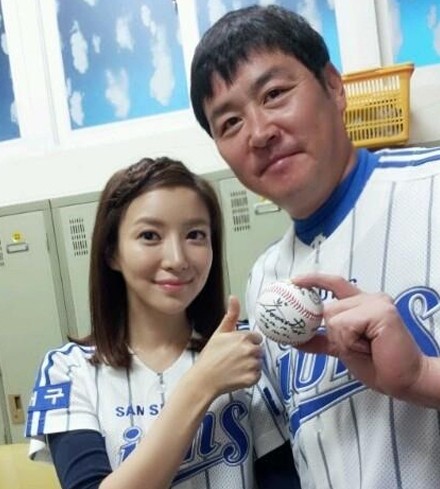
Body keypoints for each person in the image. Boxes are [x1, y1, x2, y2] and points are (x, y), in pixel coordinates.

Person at [190, 4, 440, 487]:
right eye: (230, 123)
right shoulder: (265, 279)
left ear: (333, 86)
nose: (260, 133)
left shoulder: (433, 186)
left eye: (274, 94)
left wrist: (421, 376)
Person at [25, 156, 300, 489]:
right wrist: (201, 385)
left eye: (195, 235)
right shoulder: (68, 369)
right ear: (112, 252)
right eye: (150, 235)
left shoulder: (241, 350)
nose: (177, 259)